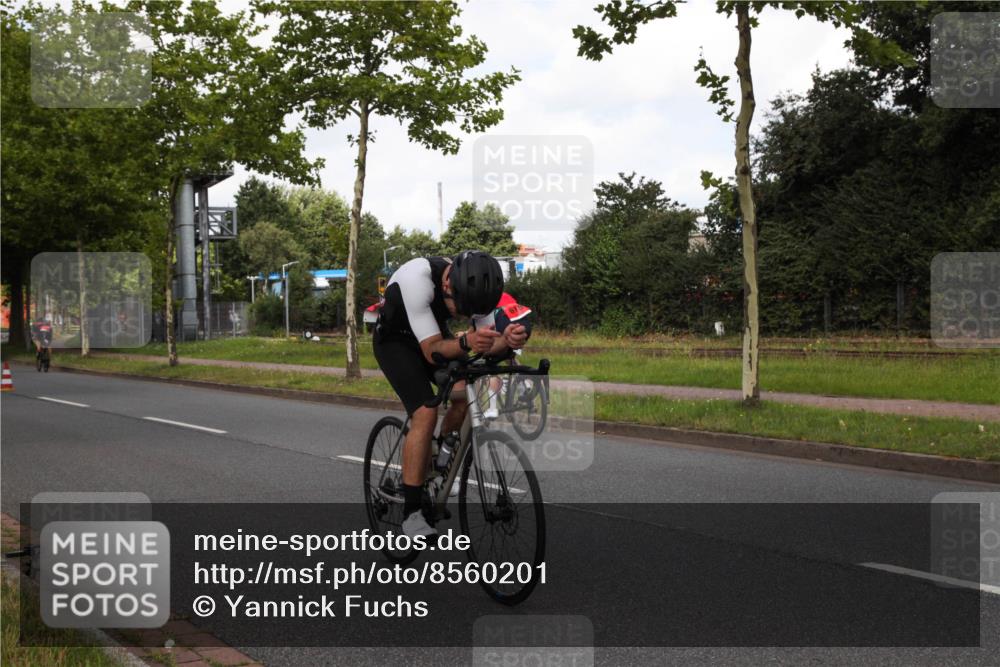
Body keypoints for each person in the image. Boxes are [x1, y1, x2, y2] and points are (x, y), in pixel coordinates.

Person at [372, 250, 528, 537]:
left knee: (464, 393)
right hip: (396, 343)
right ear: (447, 285)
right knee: (425, 412)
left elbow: (486, 346)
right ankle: (412, 514)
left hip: (432, 334)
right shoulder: (417, 279)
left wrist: (507, 341)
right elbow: (432, 351)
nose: (466, 316)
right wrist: (467, 341)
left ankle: (441, 461)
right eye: (462, 310)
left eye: (473, 312)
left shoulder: (476, 292)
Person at [473, 292, 534, 420]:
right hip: (522, 319)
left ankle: (492, 408)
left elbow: (476, 332)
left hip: (503, 318)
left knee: (489, 360)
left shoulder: (478, 302)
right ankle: (523, 383)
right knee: (509, 355)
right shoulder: (501, 293)